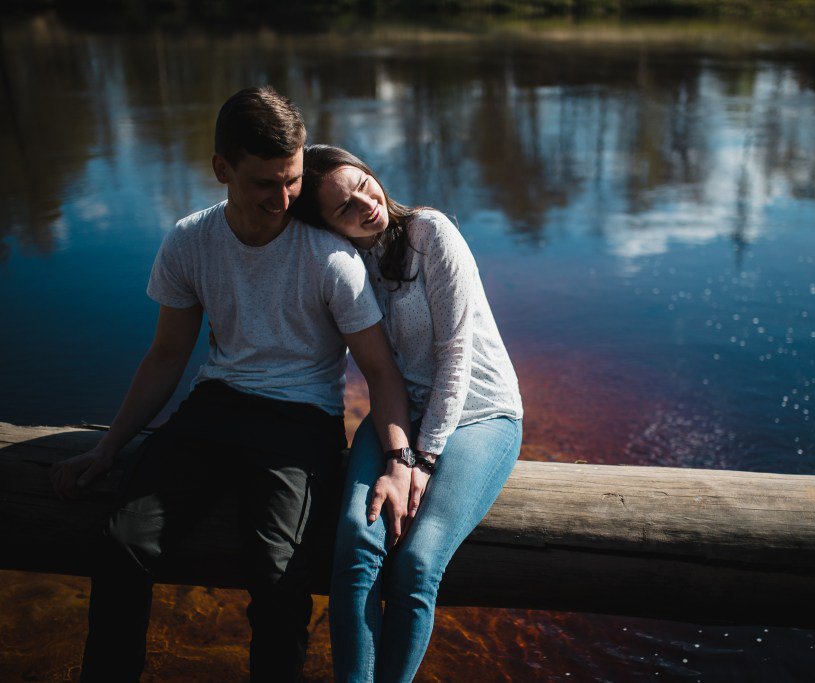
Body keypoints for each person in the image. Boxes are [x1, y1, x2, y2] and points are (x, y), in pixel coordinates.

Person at [49, 88, 414, 683]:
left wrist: (400, 460)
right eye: (265, 183)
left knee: (277, 580)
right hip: (214, 409)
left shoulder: (330, 259)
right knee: (122, 544)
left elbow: (380, 372)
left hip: (299, 421)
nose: (283, 199)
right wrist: (107, 447)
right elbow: (167, 356)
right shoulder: (191, 241)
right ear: (222, 169)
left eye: (293, 180)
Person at [289, 145, 524, 683]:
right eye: (344, 207)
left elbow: (456, 357)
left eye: (363, 185)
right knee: (355, 544)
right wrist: (401, 450)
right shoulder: (342, 264)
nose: (366, 205)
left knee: (417, 564)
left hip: (479, 413)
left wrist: (420, 459)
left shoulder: (430, 233)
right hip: (397, 415)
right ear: (328, 226)